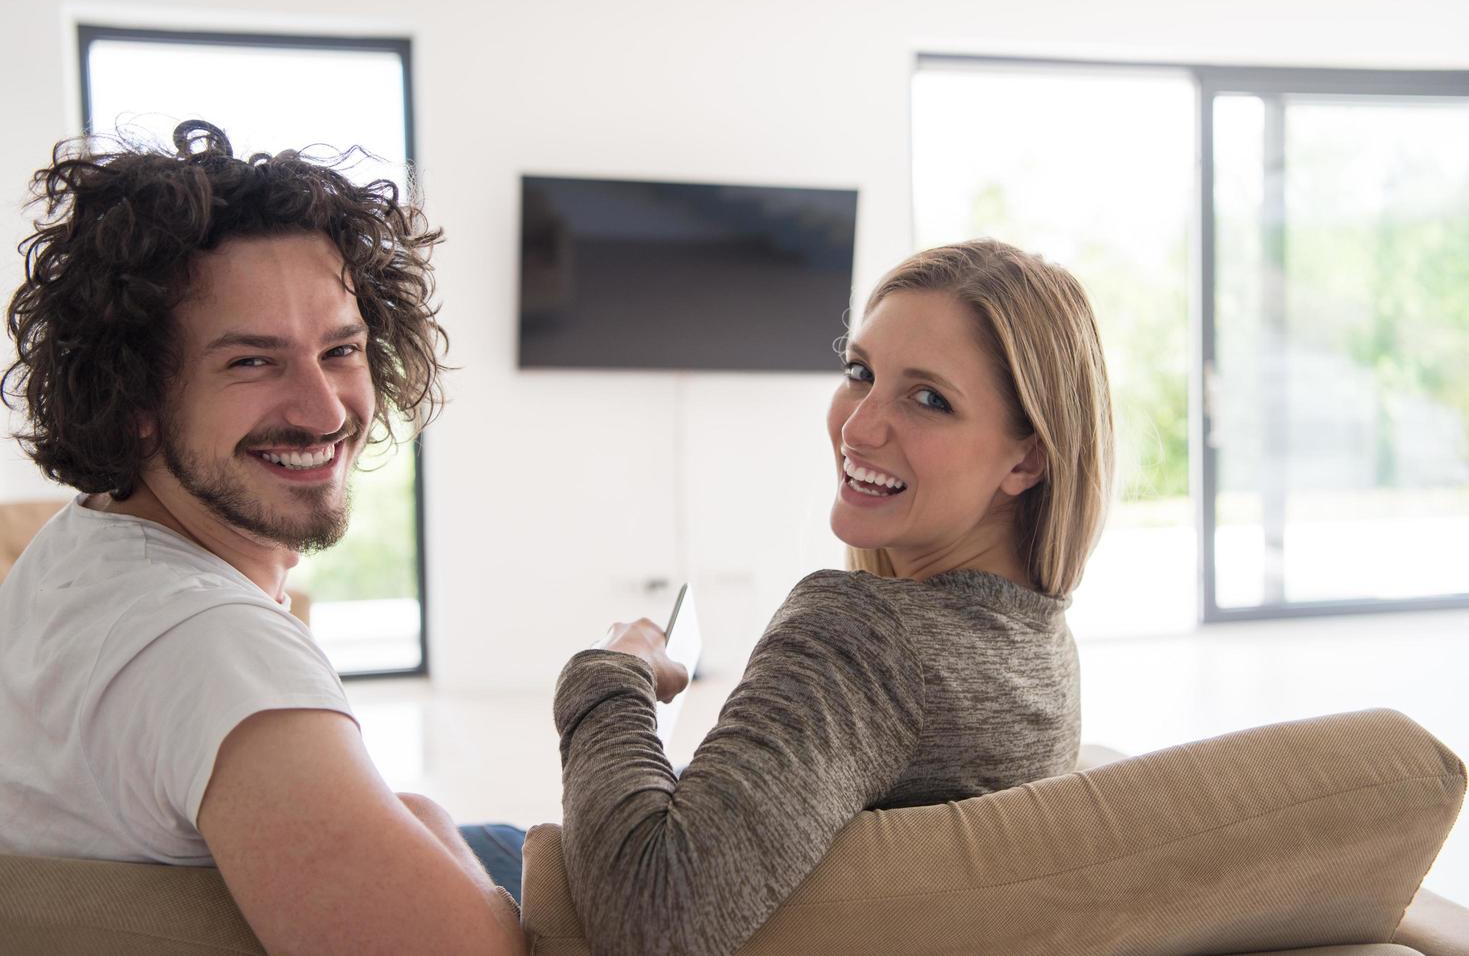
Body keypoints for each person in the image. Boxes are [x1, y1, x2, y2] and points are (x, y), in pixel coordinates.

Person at [0, 121, 526, 956]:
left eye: (341, 349)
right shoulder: (213, 649)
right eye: (251, 362)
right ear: (134, 399)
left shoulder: (86, 539)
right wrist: (421, 818)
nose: (324, 412)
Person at [553, 239, 1115, 955]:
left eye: (928, 399)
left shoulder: (861, 636)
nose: (857, 427)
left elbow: (649, 917)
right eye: (860, 372)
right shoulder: (1036, 643)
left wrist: (607, 675)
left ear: (1026, 457)